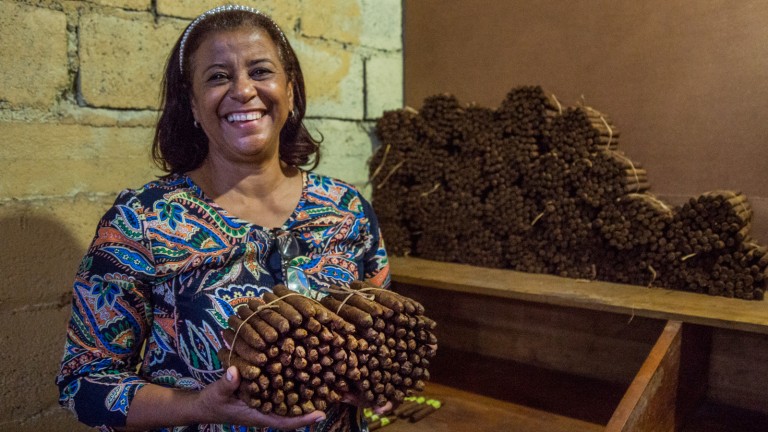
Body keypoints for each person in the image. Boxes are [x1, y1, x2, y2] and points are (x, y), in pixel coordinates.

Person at [55, 5, 390, 431]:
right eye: (218, 76)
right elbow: (83, 383)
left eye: (261, 71)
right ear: (193, 105)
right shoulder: (141, 222)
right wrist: (198, 406)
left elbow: (378, 338)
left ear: (290, 92)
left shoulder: (347, 209)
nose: (243, 90)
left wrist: (371, 381)